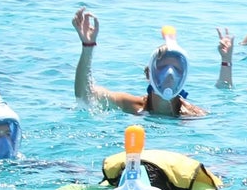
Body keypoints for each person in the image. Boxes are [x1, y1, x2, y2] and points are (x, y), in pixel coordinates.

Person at [72, 9, 207, 118]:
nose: (170, 74)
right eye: (162, 67)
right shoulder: (131, 106)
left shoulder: (194, 116)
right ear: (149, 74)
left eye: (176, 69)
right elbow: (85, 95)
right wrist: (87, 47)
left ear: (184, 76)